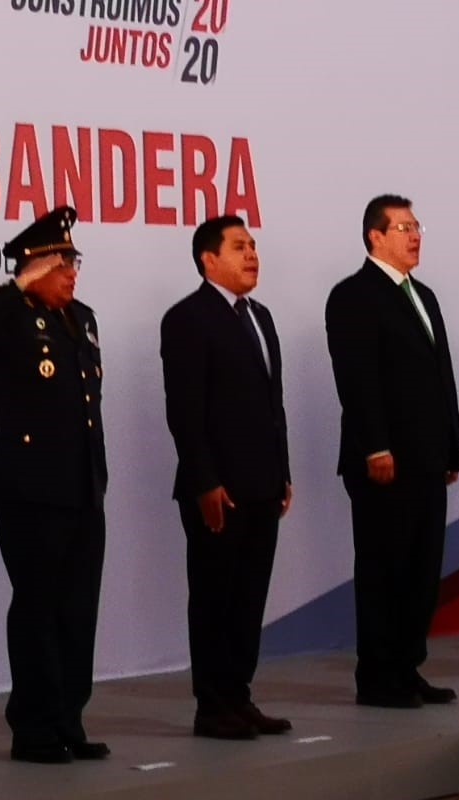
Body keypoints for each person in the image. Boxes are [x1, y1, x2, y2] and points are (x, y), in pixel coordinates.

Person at [0, 207, 111, 763]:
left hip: (83, 485)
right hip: (31, 488)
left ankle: (69, 719)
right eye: (61, 264)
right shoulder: (7, 318)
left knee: (78, 610)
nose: (72, 273)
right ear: (34, 268)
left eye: (74, 262)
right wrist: (19, 284)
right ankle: (34, 728)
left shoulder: (82, 318)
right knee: (38, 607)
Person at [324, 194, 459, 709]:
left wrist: (451, 446)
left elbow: (441, 375)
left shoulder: (423, 294)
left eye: (417, 225)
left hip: (428, 458)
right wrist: (376, 445)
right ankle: (378, 676)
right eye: (403, 227)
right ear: (375, 236)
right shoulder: (353, 295)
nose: (415, 235)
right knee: (385, 569)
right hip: (384, 461)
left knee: (422, 570)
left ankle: (407, 667)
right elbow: (356, 379)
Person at [160, 215, 293, 737]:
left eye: (253, 245)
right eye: (239, 247)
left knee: (249, 599)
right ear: (208, 259)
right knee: (215, 598)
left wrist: (283, 472)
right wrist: (204, 482)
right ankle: (212, 707)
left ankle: (239, 696)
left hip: (263, 485)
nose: (252, 254)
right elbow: (185, 412)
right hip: (217, 489)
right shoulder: (187, 318)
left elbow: (273, 405)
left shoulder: (261, 316)